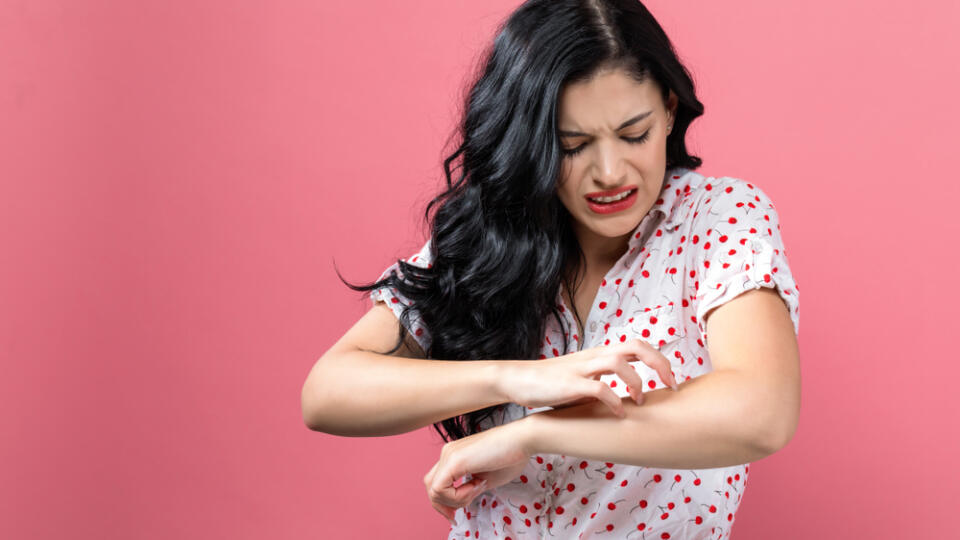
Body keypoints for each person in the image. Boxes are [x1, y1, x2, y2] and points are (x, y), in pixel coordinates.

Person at [301, 0, 801, 538]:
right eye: (572, 146)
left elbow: (761, 410)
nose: (610, 172)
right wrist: (522, 378)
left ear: (670, 110)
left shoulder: (717, 219)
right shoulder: (491, 238)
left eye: (634, 134)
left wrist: (533, 433)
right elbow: (328, 393)